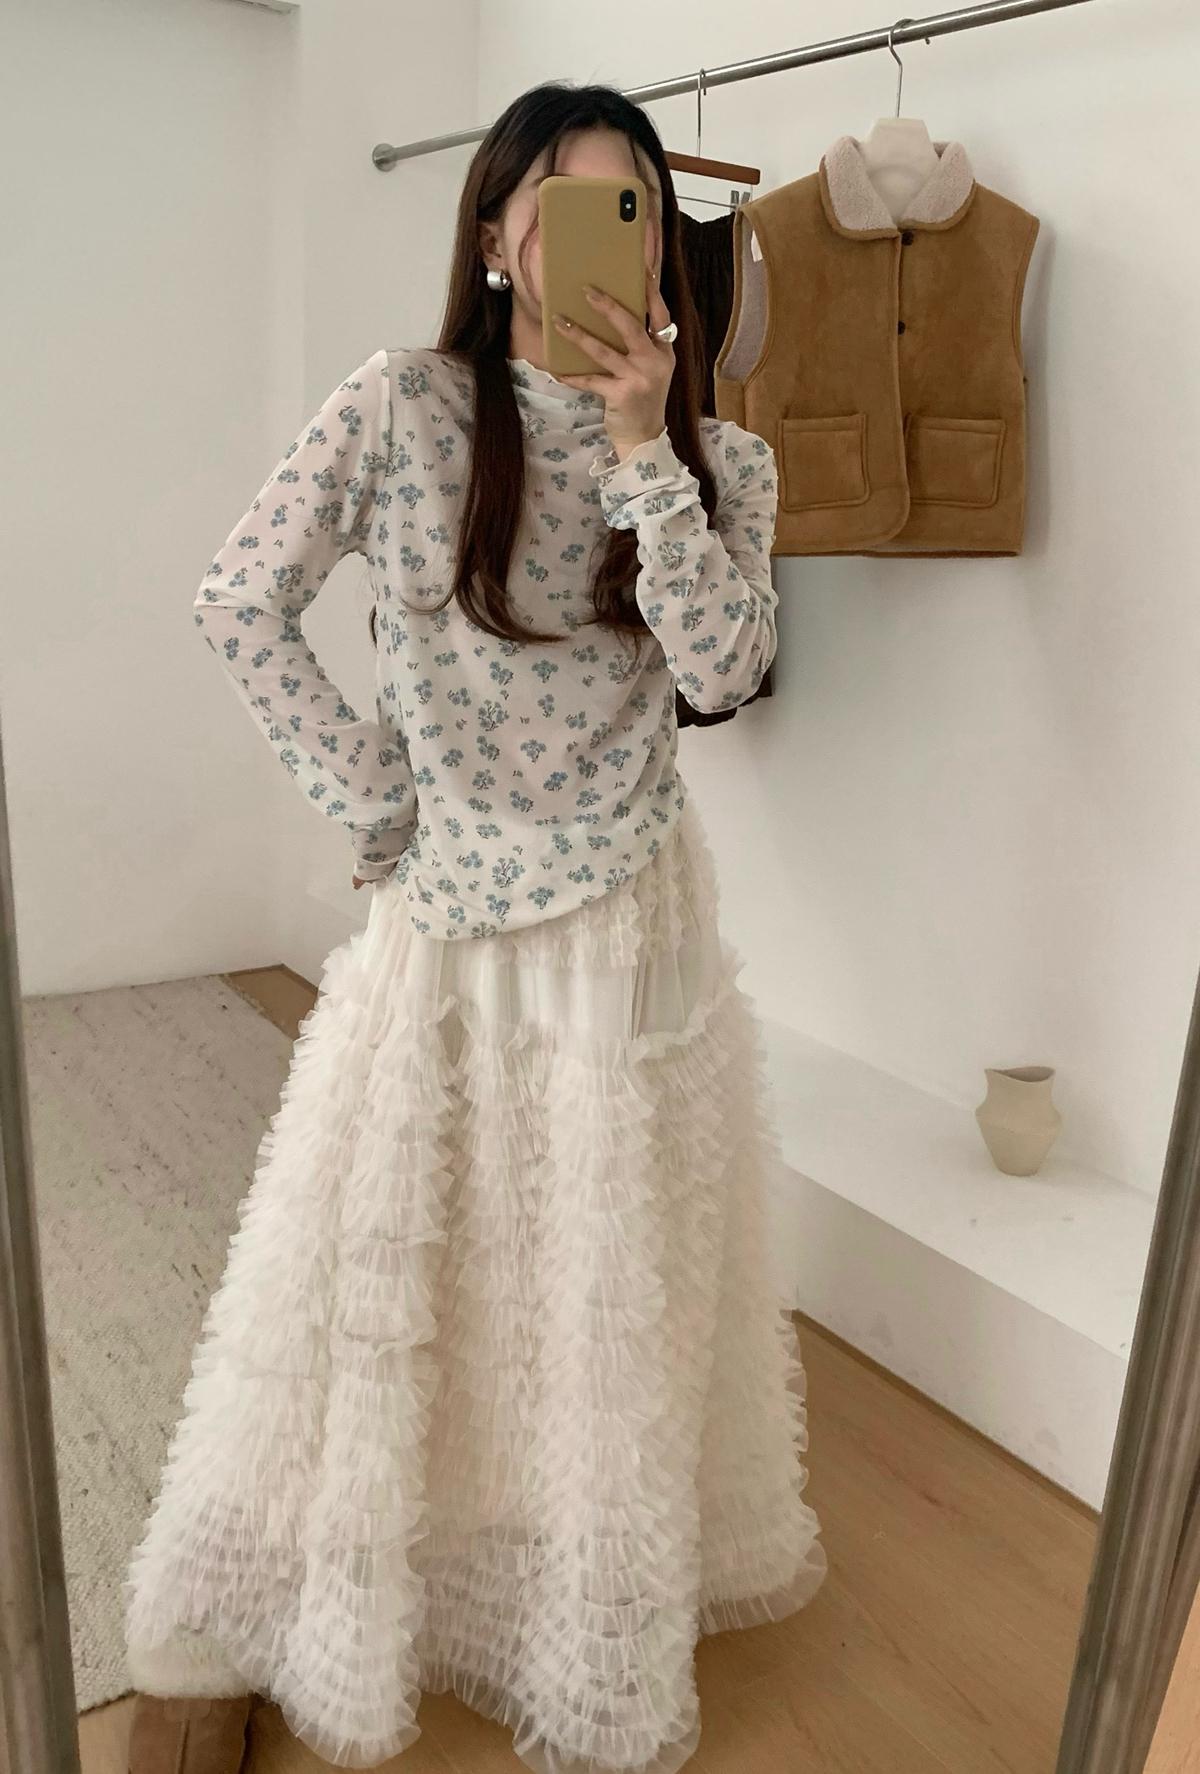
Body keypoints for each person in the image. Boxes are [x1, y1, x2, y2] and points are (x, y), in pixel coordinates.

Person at [123, 79, 827, 1774]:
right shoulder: (405, 407)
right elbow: (239, 597)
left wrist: (649, 452)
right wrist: (372, 791)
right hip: (449, 910)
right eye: (568, 204)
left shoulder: (723, 458)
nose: (609, 239)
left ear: (665, 245)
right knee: (405, 1254)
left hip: (632, 920)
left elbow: (726, 672)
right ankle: (338, 1583)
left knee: (599, 1273)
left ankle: (579, 1603)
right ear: (499, 235)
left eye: (636, 207)